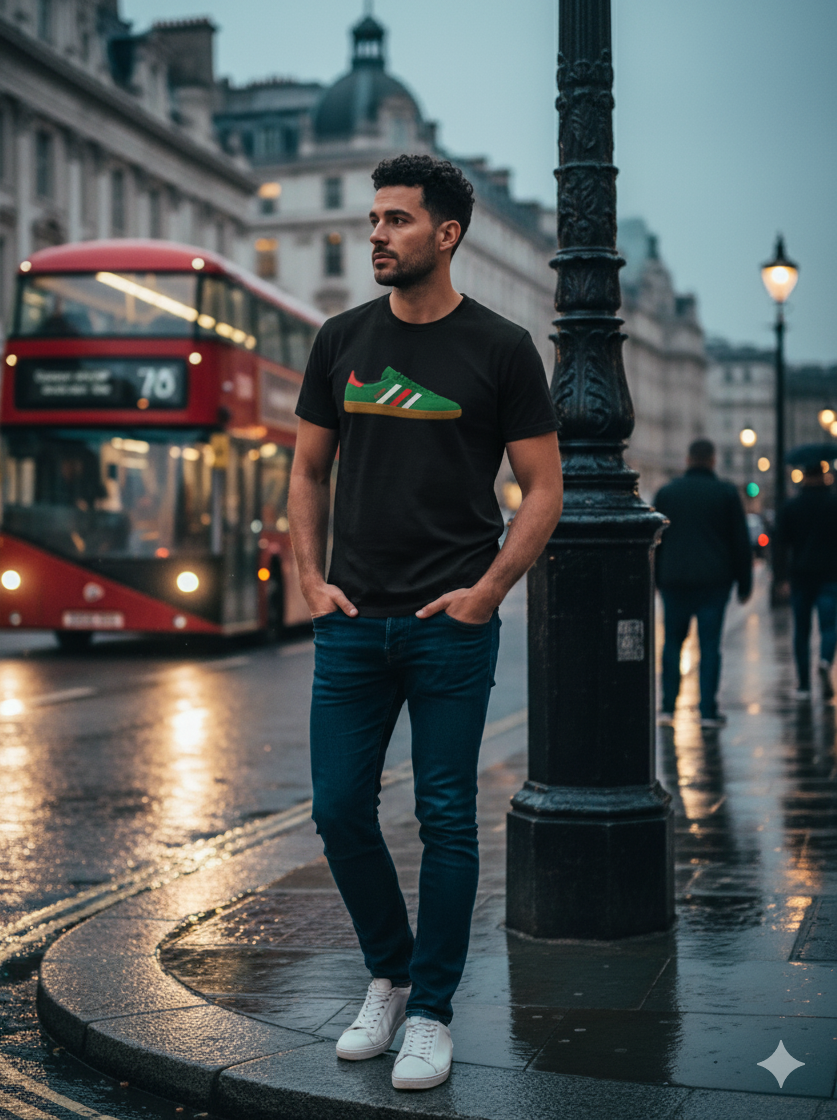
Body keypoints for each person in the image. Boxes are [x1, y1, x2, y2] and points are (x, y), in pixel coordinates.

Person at [288, 154, 562, 1091]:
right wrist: (309, 578)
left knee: (446, 818)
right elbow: (306, 471)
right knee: (336, 811)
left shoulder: (502, 348)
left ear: (446, 235)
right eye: (374, 219)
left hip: (451, 619)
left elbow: (545, 488)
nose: (376, 234)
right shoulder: (339, 339)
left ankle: (432, 1012)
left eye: (398, 220)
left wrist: (488, 592)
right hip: (353, 621)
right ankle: (392, 973)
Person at [654, 438, 753, 727]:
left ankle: (668, 707)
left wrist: (657, 577)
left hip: (674, 581)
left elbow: (655, 541)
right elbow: (740, 542)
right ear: (712, 460)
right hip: (714, 581)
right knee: (710, 646)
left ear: (687, 460)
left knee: (672, 643)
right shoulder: (725, 493)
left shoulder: (667, 493)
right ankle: (707, 710)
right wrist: (744, 584)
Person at [778, 461, 837, 700]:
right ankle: (824, 660)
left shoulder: (792, 505)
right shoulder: (834, 504)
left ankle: (803, 684)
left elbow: (781, 544)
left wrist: (781, 578)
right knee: (829, 626)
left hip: (800, 575)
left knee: (801, 631)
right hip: (830, 575)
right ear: (823, 475)